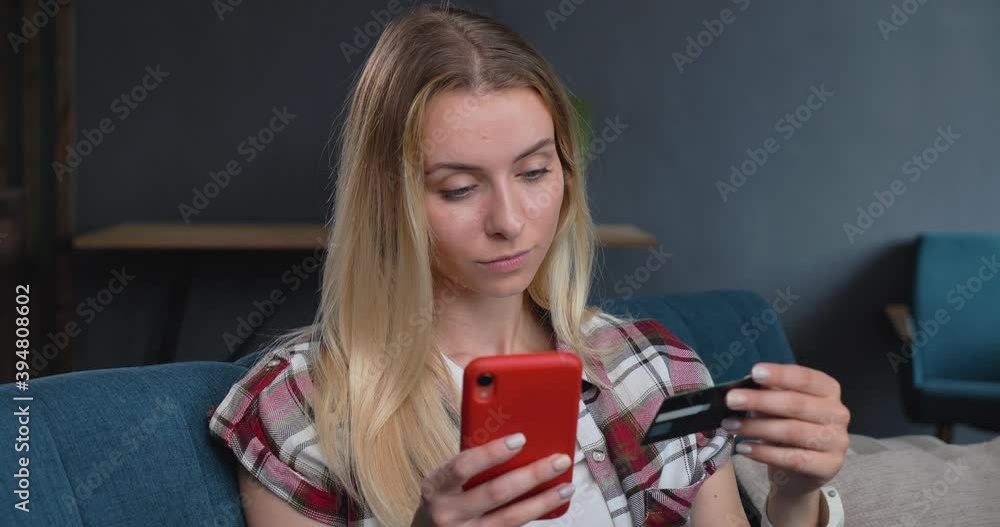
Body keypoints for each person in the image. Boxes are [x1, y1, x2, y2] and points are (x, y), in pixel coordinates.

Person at [207, 4, 850, 526]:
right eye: (459, 188)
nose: (509, 220)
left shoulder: (653, 370)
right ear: (386, 202)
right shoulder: (297, 409)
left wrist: (794, 500)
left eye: (535, 171)